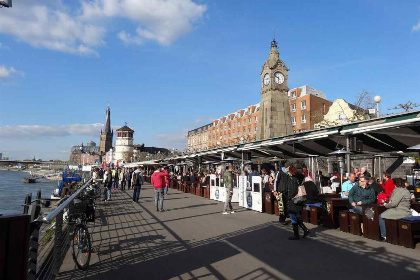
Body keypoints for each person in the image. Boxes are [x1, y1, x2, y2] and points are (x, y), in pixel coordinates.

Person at [286, 166, 310, 240]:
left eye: (288, 171)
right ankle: (305, 230)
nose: (287, 172)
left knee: (293, 217)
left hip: (293, 200)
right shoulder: (298, 178)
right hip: (297, 200)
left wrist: (288, 197)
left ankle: (296, 234)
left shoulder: (293, 180)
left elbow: (293, 191)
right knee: (296, 216)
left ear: (291, 172)